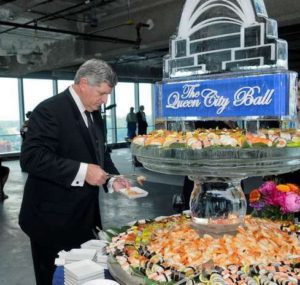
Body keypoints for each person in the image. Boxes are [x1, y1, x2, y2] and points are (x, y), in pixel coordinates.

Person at [19, 59, 130, 285]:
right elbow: (31, 158)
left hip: (84, 218)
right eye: (101, 93)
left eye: (107, 94)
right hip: (50, 221)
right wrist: (82, 171)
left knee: (82, 277)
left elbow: (100, 153)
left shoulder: (94, 110)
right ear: (83, 83)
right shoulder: (49, 110)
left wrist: (112, 178)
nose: (105, 100)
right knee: (54, 278)